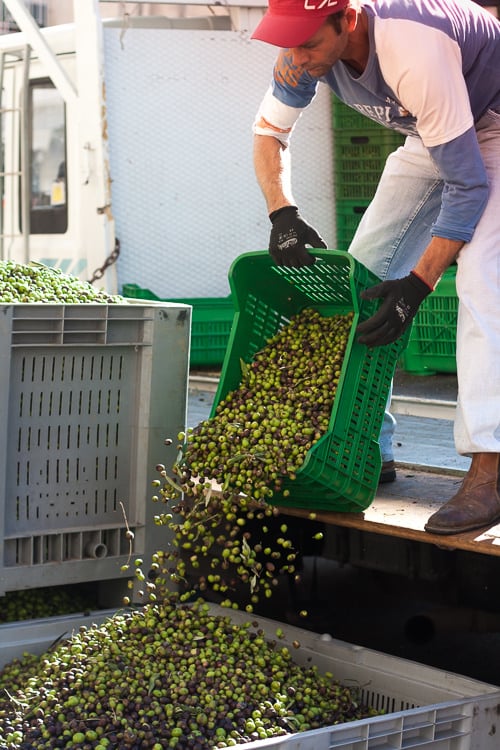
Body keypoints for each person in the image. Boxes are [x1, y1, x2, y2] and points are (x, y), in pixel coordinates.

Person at [250, 0, 500, 535]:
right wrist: (283, 214)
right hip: (433, 135)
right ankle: (367, 443)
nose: (297, 55)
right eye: (289, 40)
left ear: (350, 21)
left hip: (494, 124)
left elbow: (469, 185)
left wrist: (418, 284)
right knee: (359, 278)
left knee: (483, 285)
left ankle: (489, 470)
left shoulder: (413, 49)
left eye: (310, 42)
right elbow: (269, 134)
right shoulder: (301, 53)